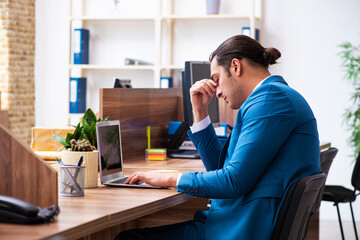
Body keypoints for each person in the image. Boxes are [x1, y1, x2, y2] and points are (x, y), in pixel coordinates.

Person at [116, 35, 321, 240]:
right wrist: (200, 112)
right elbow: (220, 170)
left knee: (127, 238)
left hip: (241, 229)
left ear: (235, 67)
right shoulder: (268, 99)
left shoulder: (271, 101)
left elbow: (233, 181)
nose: (218, 92)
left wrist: (167, 178)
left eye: (217, 80)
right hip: (238, 221)